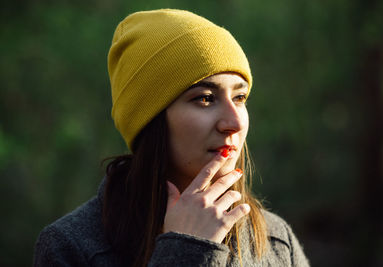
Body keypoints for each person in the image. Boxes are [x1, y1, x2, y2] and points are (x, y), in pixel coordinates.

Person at [34, 9, 309, 267]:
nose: (234, 122)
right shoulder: (70, 246)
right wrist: (186, 251)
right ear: (149, 120)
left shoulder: (275, 240)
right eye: (205, 98)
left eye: (240, 97)